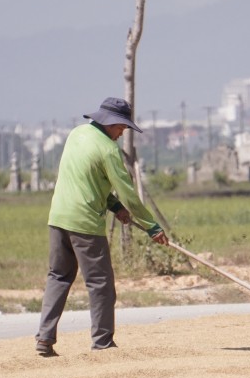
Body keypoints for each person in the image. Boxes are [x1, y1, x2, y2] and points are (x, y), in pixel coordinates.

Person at [35, 97, 168, 356]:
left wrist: (116, 208)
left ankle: (44, 338)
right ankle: (103, 342)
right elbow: (129, 193)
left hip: (58, 217)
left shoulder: (76, 134)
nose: (122, 133)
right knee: (100, 283)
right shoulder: (108, 150)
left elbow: (88, 181)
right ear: (112, 123)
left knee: (58, 277)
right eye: (122, 128)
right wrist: (152, 226)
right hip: (85, 223)